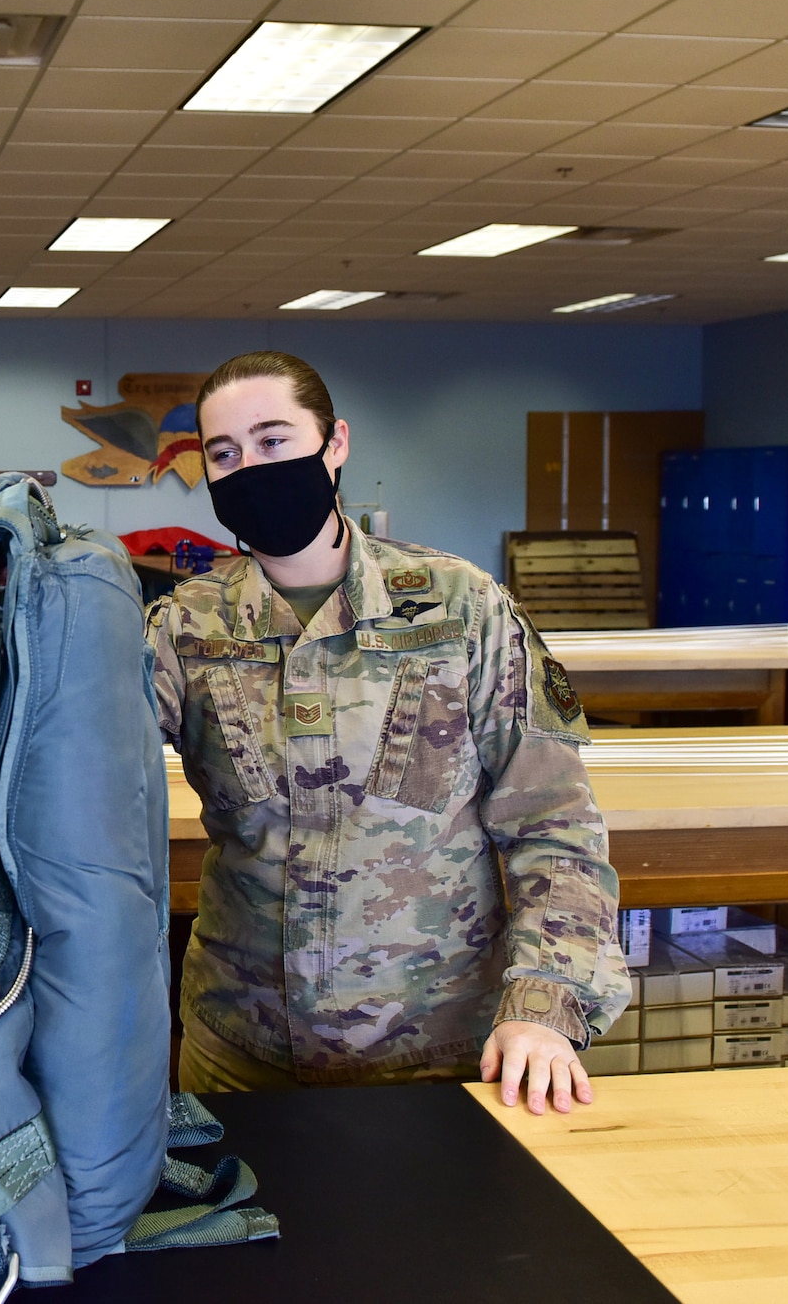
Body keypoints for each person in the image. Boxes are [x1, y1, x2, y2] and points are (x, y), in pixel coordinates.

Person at [146, 350, 630, 1116]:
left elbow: (554, 822)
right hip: (244, 1052)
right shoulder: (184, 627)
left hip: (438, 1049)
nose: (251, 468)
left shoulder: (459, 607)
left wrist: (546, 1003)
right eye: (225, 453)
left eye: (275, 441)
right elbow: (89, 777)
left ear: (335, 443)